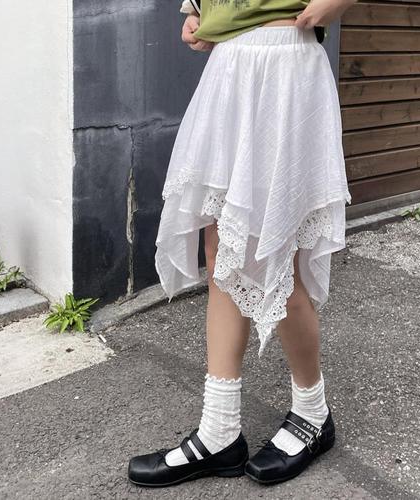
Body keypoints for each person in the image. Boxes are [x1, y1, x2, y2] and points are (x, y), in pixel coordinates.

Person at [128, 0, 355, 487]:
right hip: (229, 68)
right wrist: (197, 10)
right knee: (221, 256)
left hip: (284, 65)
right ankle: (220, 431)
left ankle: (313, 412)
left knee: (277, 256)